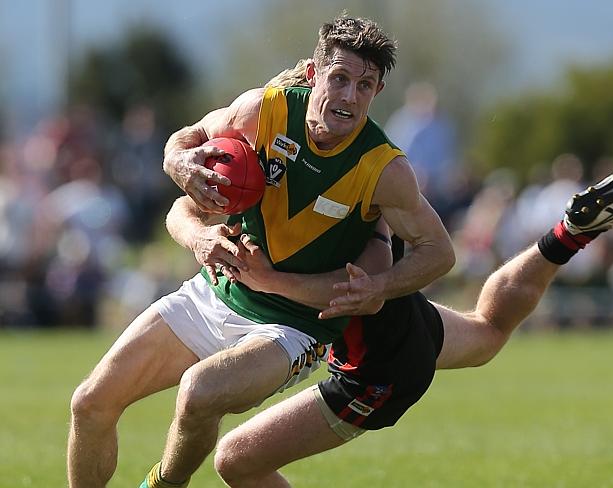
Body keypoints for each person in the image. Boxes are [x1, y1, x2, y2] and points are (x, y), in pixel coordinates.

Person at [66, 16, 455, 488]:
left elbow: (437, 251)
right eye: (340, 78)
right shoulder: (263, 110)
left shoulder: (383, 168)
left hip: (292, 327)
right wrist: (191, 204)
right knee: (89, 403)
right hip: (214, 294)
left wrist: (379, 285)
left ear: (377, 92)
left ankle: (164, 484)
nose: (350, 97)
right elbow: (183, 165)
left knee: (198, 393)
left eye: (365, 85)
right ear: (314, 73)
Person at [205, 164, 613, 487]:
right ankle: (568, 235)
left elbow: (356, 286)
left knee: (235, 460)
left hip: (373, 371)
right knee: (488, 330)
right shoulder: (371, 161)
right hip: (407, 321)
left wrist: (270, 281)